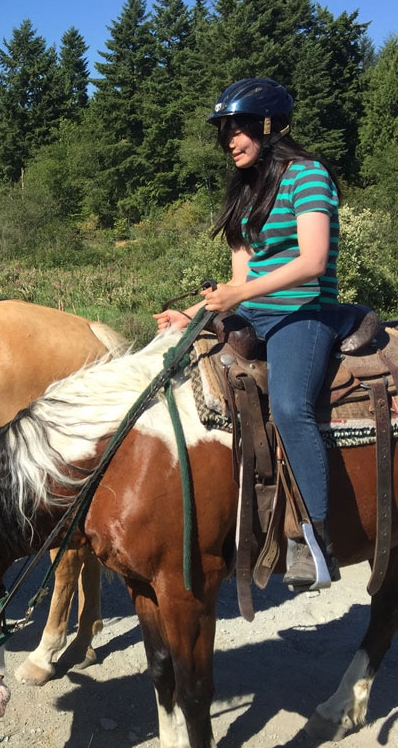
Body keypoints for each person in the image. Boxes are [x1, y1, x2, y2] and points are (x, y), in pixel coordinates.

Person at [154, 77, 348, 591]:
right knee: (178, 369)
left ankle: (315, 538)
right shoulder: (245, 190)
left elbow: (313, 260)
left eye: (240, 129)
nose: (231, 140)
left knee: (288, 406)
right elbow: (239, 281)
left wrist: (239, 297)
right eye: (225, 132)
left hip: (303, 313)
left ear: (269, 126)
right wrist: (193, 314)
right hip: (257, 309)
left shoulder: (308, 175)